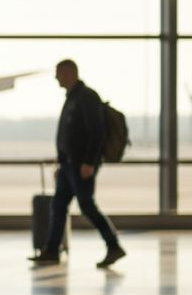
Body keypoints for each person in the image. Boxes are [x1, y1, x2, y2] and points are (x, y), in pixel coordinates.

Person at [31, 59, 125, 269]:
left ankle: (113, 245)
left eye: (58, 73)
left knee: (87, 207)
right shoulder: (73, 98)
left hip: (80, 166)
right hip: (68, 167)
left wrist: (89, 163)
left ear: (68, 73)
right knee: (58, 206)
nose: (56, 78)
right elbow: (72, 135)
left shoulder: (87, 98)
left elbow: (97, 133)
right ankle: (52, 250)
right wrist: (62, 163)